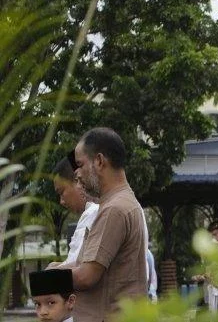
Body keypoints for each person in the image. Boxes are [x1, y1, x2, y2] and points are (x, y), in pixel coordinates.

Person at [68, 127, 147, 321]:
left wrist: (47, 277)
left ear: (99, 161)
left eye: (80, 164)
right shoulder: (122, 202)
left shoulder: (114, 209)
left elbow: (86, 276)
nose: (77, 174)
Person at [49, 155, 99, 269]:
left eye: (61, 192)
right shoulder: (93, 211)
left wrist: (54, 271)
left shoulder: (95, 212)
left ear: (77, 180)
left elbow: (82, 270)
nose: (61, 201)